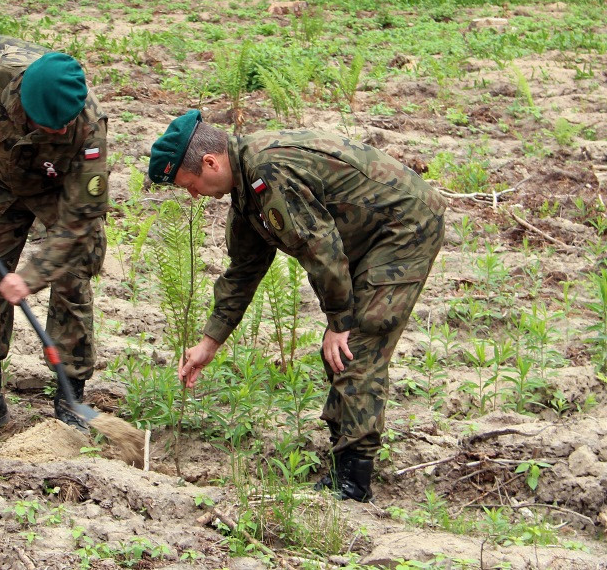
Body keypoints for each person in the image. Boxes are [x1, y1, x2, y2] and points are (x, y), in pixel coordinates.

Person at [148, 110, 445, 502]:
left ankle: (354, 482)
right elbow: (244, 270)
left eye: (191, 185)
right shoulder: (246, 188)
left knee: (355, 343)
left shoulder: (268, 171)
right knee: (343, 346)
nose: (194, 195)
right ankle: (344, 460)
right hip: (367, 232)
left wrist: (340, 320)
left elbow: (319, 245)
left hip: (403, 226)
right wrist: (209, 343)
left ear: (210, 162)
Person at [0, 47, 109, 445]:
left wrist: (30, 277)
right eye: (50, 126)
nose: (61, 132)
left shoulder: (90, 126)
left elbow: (78, 222)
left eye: (65, 125)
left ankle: (70, 398)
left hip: (58, 192)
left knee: (72, 277)